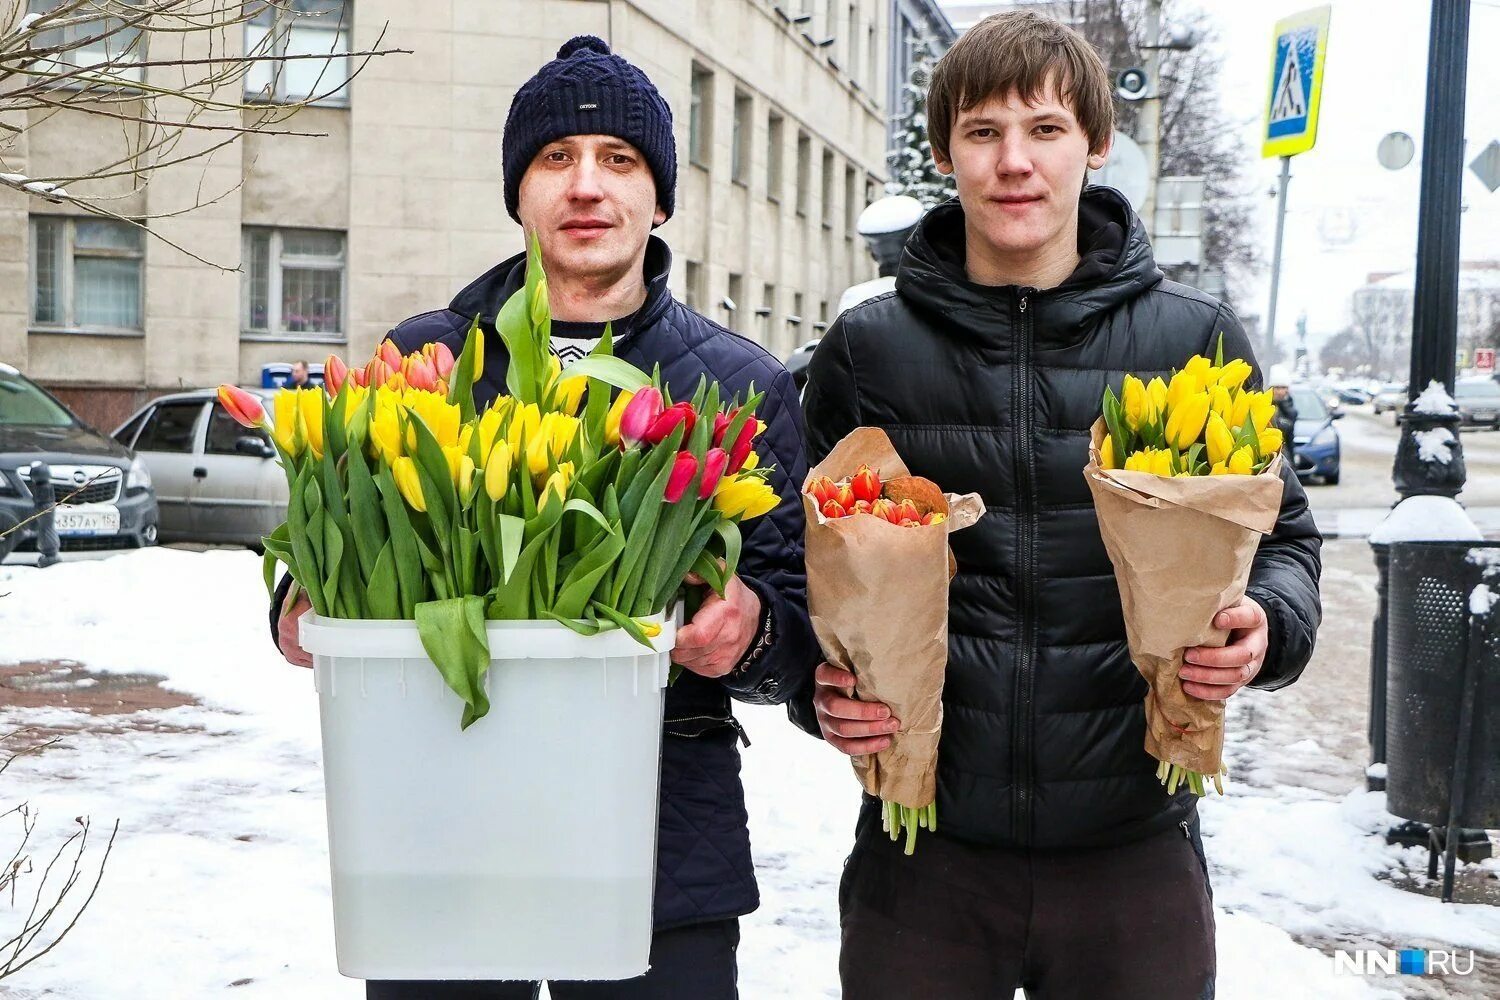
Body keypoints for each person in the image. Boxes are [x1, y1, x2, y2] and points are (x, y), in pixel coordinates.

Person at [270, 35, 818, 999]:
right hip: (442, 831)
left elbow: (801, 623)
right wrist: (300, 595)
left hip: (656, 852)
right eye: (556, 160)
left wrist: (755, 631)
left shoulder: (739, 384)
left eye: (620, 160)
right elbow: (344, 525)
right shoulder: (430, 358)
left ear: (659, 200)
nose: (586, 187)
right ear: (520, 194)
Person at [796, 12, 1323, 999]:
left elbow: (1285, 537)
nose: (1014, 164)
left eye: (1044, 129)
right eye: (983, 132)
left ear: (1095, 142)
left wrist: (1268, 626)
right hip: (926, 857)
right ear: (947, 148)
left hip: (1135, 853)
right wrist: (813, 690)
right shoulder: (869, 350)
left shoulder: (1194, 337)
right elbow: (798, 559)